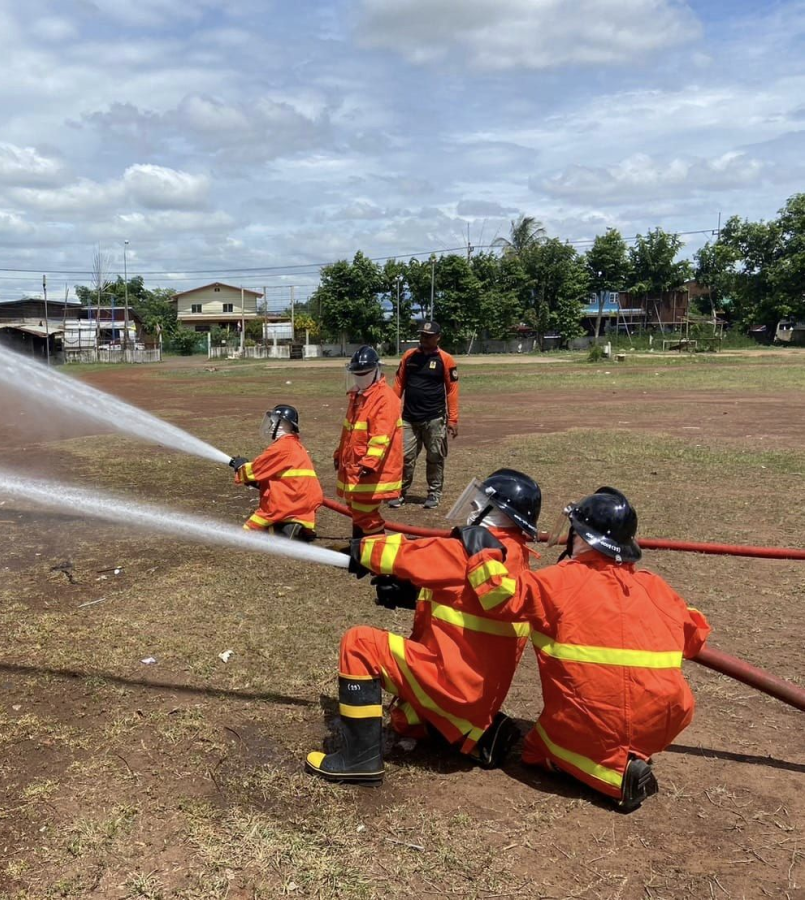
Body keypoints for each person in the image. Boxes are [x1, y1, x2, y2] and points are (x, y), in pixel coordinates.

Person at [305, 469, 542, 784]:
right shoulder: (516, 558)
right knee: (404, 718)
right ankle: (475, 736)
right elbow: (467, 599)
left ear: (497, 511)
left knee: (359, 643)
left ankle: (357, 760)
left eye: (481, 501)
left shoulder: (472, 550)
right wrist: (413, 594)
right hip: (477, 696)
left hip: (453, 685)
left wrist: (358, 551)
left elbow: (407, 553)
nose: (473, 507)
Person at [491, 487, 712, 811]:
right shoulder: (655, 585)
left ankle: (615, 775)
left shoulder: (558, 582)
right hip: (665, 720)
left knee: (535, 750)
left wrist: (480, 550)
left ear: (580, 537)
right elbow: (696, 638)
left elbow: (501, 598)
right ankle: (627, 753)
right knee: (614, 721)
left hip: (601, 716)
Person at [333, 346, 403, 538]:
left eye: (363, 374)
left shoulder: (385, 398)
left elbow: (381, 436)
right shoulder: (358, 396)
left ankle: (378, 555)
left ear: (376, 370)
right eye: (356, 374)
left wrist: (370, 463)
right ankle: (360, 550)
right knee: (356, 508)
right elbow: (349, 432)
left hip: (371, 470)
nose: (359, 378)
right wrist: (339, 454)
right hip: (354, 466)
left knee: (365, 513)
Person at [389, 320, 459, 510]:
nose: (424, 339)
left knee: (435, 456)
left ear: (438, 337)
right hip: (408, 418)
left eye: (428, 336)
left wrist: (452, 419)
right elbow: (398, 384)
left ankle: (434, 494)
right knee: (404, 457)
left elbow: (452, 390)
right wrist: (390, 411)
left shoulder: (446, 359)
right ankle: (399, 492)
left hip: (434, 418)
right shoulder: (409, 356)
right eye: (422, 335)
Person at [227, 405, 323, 540]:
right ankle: (294, 528)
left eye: (274, 422)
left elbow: (256, 469)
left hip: (287, 501)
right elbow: (275, 475)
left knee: (246, 534)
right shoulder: (294, 445)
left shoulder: (282, 447)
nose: (271, 426)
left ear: (285, 424)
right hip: (301, 503)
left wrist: (240, 466)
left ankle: (286, 531)